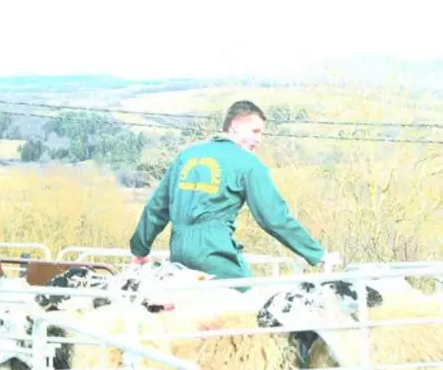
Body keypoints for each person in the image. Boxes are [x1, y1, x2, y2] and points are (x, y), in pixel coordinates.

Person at [128, 100, 342, 285]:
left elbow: (157, 208)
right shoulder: (248, 164)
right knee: (246, 303)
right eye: (255, 131)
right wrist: (318, 254)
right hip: (214, 251)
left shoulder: (187, 156)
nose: (259, 139)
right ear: (236, 126)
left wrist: (140, 249)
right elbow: (274, 217)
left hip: (179, 250)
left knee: (194, 310)